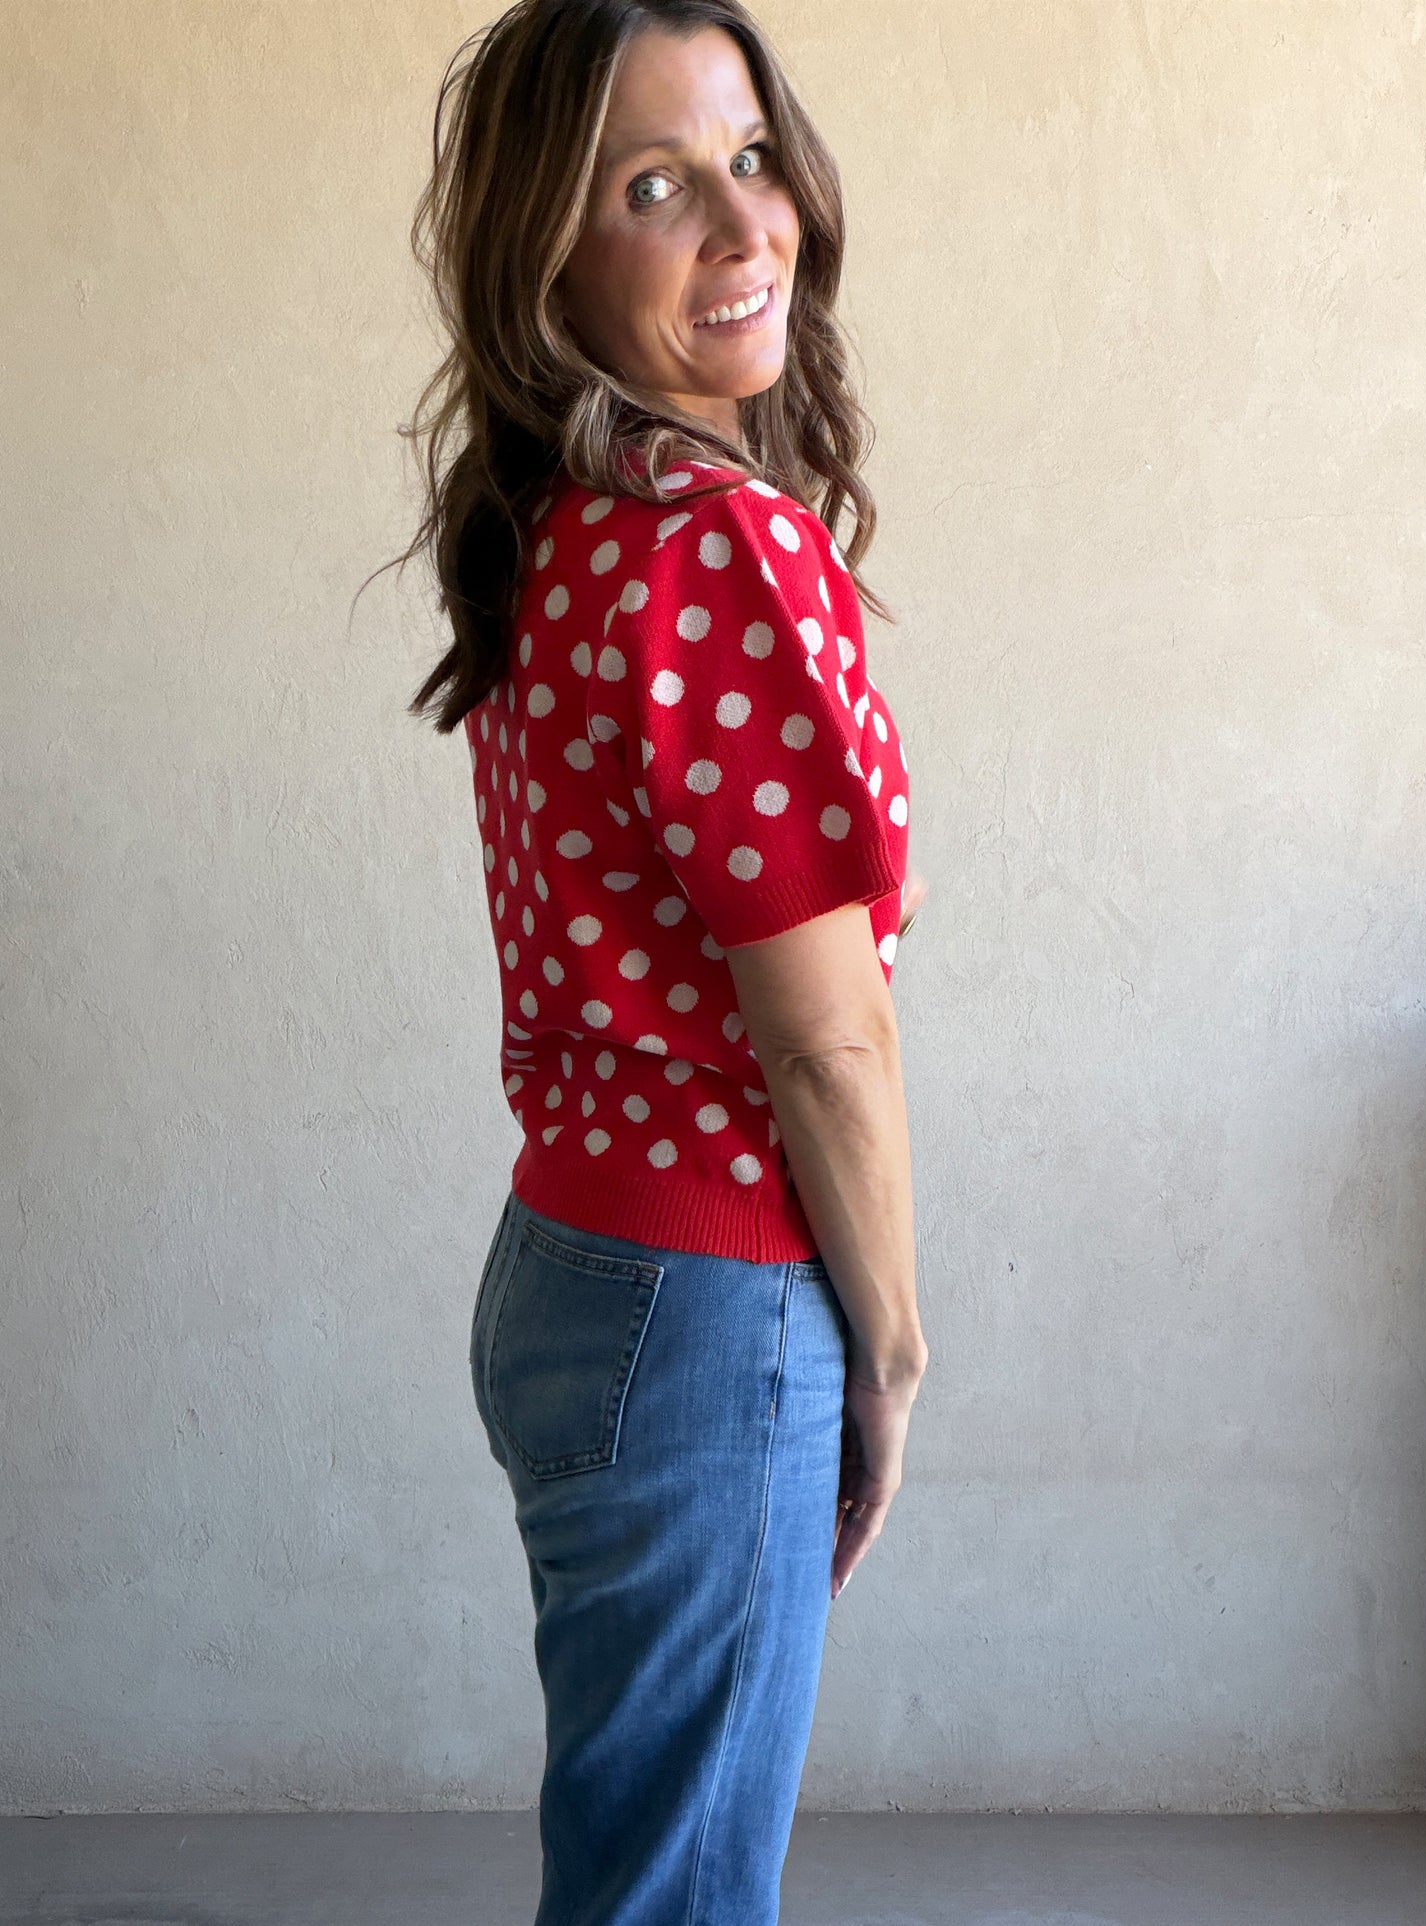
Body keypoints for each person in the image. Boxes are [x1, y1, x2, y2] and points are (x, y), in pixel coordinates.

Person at [397, 4, 929, 1920]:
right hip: (705, 1301)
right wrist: (891, 1341)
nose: (739, 221)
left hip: (573, 1266)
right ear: (552, 257)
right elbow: (826, 1045)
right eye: (653, 184)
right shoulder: (715, 548)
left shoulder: (567, 534)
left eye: (750, 156)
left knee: (632, 1867)